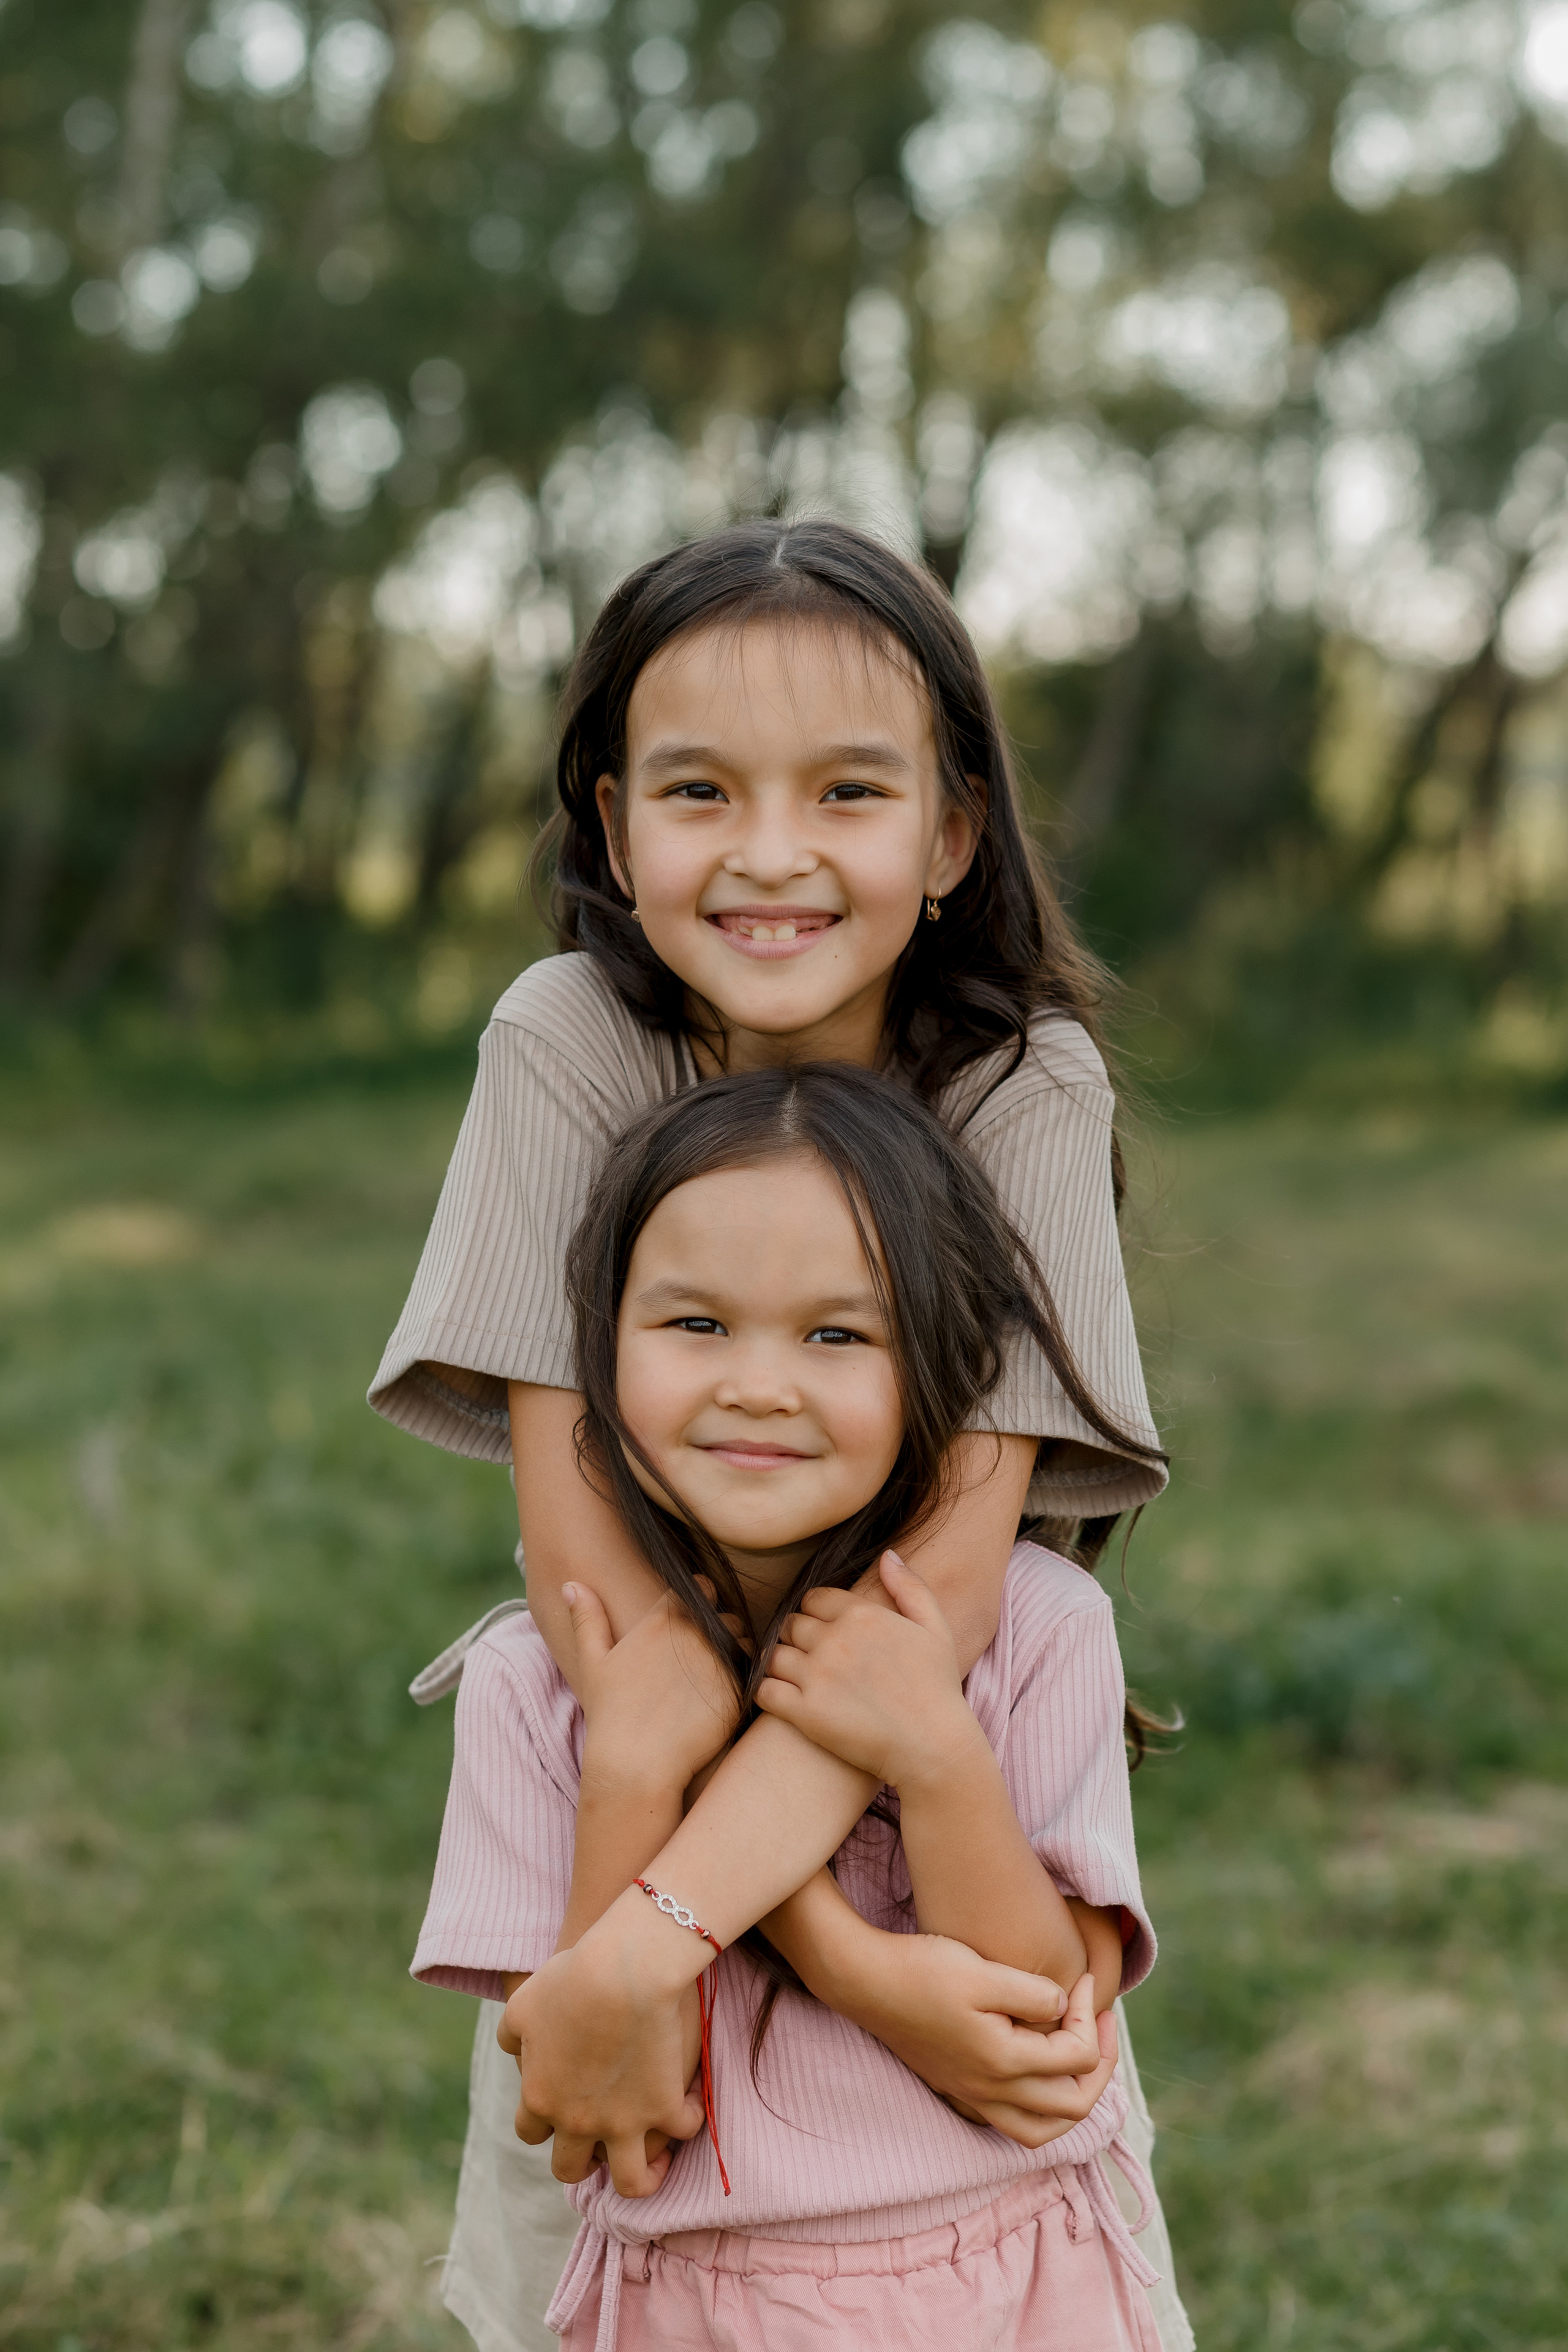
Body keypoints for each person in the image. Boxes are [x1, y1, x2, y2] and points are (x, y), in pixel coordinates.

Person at [371, 518, 1193, 2349]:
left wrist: (734, 1944)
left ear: (954, 829)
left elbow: (933, 1620)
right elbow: (608, 1617)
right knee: (597, 2251)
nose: (767, 853)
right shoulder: (572, 1039)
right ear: (608, 821)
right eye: (696, 789)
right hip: (636, 1792)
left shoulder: (1017, 1084)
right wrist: (694, 1951)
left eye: (847, 790)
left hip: (922, 1819)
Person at [415, 1065, 1166, 2351]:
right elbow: (610, 2095)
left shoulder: (1034, 1631)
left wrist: (933, 1755)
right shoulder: (532, 1686)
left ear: (947, 1366)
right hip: (688, 2301)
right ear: (591, 1352)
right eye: (694, 1324)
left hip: (1009, 2282)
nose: (758, 1385)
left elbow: (1041, 2020)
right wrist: (632, 1772)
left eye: (836, 1335)